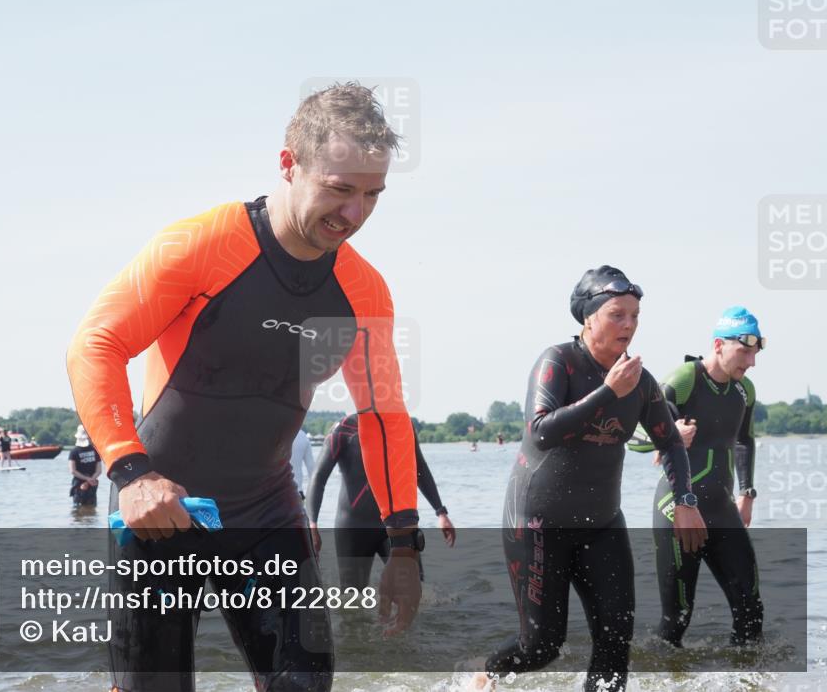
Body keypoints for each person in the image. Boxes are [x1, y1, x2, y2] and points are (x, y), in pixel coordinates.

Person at [67, 83, 423, 692]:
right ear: (289, 163)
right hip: (160, 509)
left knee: (305, 684)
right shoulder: (203, 245)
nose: (356, 214)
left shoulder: (363, 291)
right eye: (340, 189)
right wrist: (132, 474)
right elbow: (95, 344)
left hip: (266, 512)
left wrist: (405, 544)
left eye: (372, 195)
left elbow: (382, 415)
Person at [478, 266, 708, 692]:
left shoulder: (640, 381)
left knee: (616, 641)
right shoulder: (557, 362)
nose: (629, 325)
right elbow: (540, 431)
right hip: (538, 525)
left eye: (635, 316)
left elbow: (670, 442)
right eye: (617, 314)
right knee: (542, 647)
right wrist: (608, 392)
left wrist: (686, 501)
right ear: (588, 319)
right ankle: (485, 676)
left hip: (603, 525)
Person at [632, 306, 764, 647]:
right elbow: (633, 436)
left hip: (723, 511)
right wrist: (669, 435)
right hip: (677, 511)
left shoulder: (744, 390)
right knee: (676, 621)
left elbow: (745, 440)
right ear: (719, 345)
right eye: (744, 352)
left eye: (755, 353)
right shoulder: (685, 378)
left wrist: (747, 493)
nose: (750, 362)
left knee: (751, 612)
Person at [306, 413, 456, 590]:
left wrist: (441, 512)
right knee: (351, 600)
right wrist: (313, 524)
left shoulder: (402, 424)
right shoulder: (344, 429)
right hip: (354, 529)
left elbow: (419, 469)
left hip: (398, 523)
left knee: (415, 591)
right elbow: (318, 478)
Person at [69, 424, 102, 507]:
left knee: (78, 509)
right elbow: (99, 470)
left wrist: (86, 480)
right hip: (93, 482)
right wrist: (90, 480)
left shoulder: (74, 451)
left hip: (79, 484)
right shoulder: (95, 450)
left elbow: (73, 470)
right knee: (92, 507)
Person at [290, 428, 316, 499]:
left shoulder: (275, 434)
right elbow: (311, 468)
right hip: (298, 492)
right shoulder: (303, 436)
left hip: (275, 495)